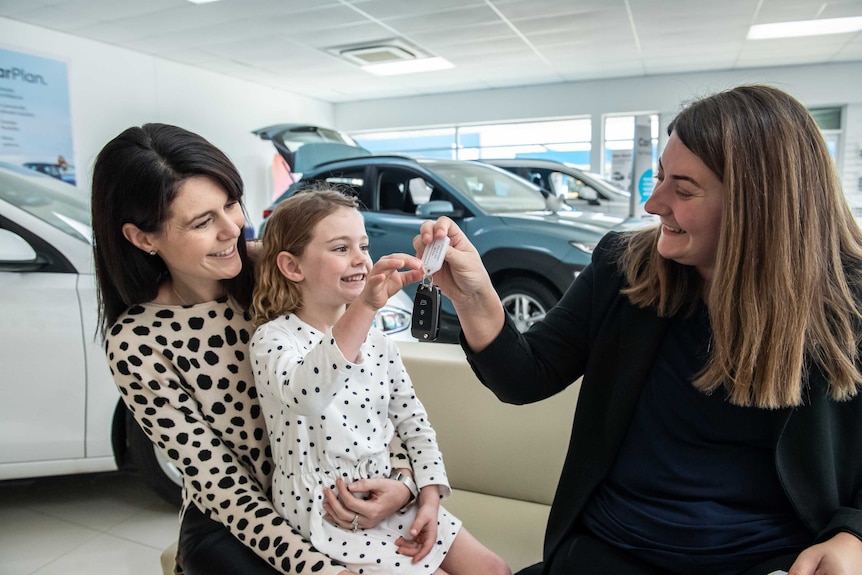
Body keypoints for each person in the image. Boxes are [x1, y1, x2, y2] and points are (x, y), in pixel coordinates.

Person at [414, 85, 862, 575]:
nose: (653, 203)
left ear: (761, 205)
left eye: (683, 189)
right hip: (606, 553)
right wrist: (474, 296)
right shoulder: (624, 267)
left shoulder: (850, 303)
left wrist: (853, 534)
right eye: (661, 177)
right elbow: (526, 376)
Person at [91, 123, 418, 575]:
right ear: (143, 238)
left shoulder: (280, 269)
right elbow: (220, 486)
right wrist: (315, 568)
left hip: (334, 496)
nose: (233, 229)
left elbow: (379, 391)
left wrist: (404, 483)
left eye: (230, 204)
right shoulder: (137, 341)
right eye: (203, 222)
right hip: (239, 525)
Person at [247, 187, 511, 575]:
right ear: (292, 266)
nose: (361, 259)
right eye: (340, 248)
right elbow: (309, 395)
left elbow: (413, 421)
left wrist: (429, 496)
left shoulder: (378, 340)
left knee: (495, 569)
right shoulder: (273, 339)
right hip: (330, 513)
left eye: (364, 245)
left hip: (391, 495)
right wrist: (366, 307)